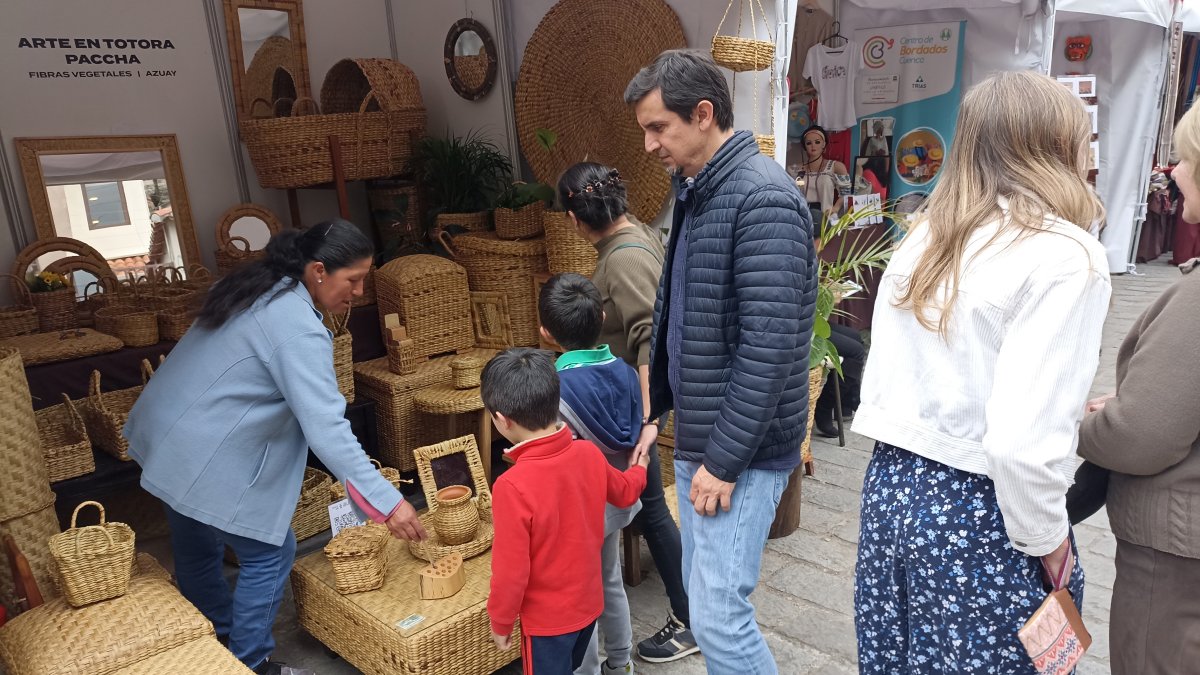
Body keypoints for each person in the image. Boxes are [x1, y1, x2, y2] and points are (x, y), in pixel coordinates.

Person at [851, 70, 1110, 672]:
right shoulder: (1064, 255)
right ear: (1062, 146)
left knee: (897, 659)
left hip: (893, 491)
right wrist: (1051, 546)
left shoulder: (927, 237)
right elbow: (1021, 449)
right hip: (982, 509)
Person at [123, 220, 427, 675]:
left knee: (196, 542)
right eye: (354, 279)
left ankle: (216, 638)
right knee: (270, 551)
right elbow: (326, 426)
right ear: (319, 270)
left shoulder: (261, 288)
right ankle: (252, 661)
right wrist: (388, 501)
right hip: (200, 444)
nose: (360, 292)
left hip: (170, 439)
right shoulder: (295, 325)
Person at [624, 49, 816, 673]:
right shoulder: (698, 187)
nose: (651, 145)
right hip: (710, 437)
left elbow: (771, 347)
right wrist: (661, 411)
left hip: (740, 451)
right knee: (712, 610)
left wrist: (724, 462)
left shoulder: (761, 198)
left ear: (703, 114)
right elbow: (682, 308)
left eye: (659, 128)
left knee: (718, 618)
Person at [1074, 103, 1200, 675]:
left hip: (1175, 559)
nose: (1172, 171)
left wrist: (1088, 424)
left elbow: (1144, 435)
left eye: (1187, 159)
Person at [556, 161, 696, 663]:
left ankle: (688, 616)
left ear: (574, 220)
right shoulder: (630, 233)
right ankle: (689, 610)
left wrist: (647, 422)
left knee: (654, 510)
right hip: (629, 403)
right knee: (651, 510)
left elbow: (646, 339)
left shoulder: (623, 259)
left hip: (632, 408)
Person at [484, 348, 650, 674]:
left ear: (502, 419)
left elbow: (510, 571)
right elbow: (626, 491)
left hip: (546, 623)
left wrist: (500, 621)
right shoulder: (588, 454)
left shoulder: (511, 486)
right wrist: (641, 467)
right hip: (589, 606)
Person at [537, 273, 644, 675]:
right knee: (610, 580)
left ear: (545, 332)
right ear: (601, 316)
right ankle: (621, 662)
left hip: (577, 514)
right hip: (616, 500)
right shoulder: (629, 373)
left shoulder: (553, 390)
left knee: (580, 597)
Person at [811, 322, 865, 439]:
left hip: (811, 320)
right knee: (856, 351)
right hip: (798, 326)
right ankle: (824, 406)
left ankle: (847, 403)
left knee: (855, 336)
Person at [798, 124, 849, 232]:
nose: (813, 146)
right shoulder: (798, 169)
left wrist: (835, 208)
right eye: (809, 143)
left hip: (827, 220)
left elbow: (846, 191)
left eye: (817, 142)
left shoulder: (836, 167)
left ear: (824, 144)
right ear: (804, 146)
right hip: (803, 220)